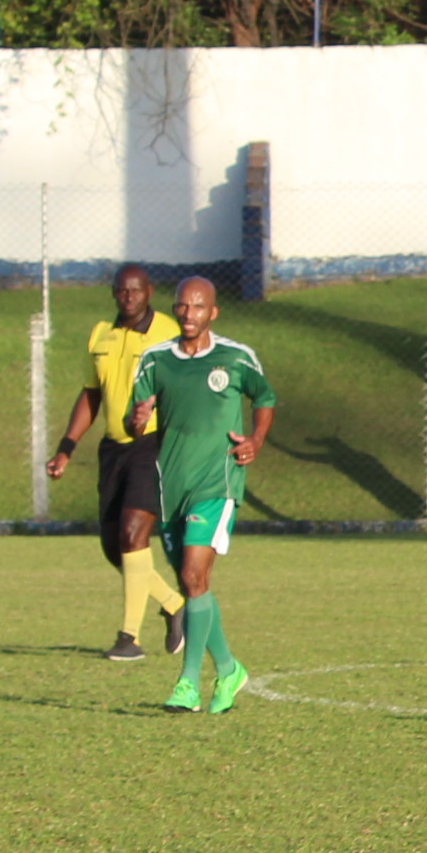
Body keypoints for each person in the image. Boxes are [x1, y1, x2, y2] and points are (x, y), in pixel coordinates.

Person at [125, 276, 275, 715]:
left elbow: (264, 397)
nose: (188, 314)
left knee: (193, 574)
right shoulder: (155, 360)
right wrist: (138, 418)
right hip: (172, 485)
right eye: (182, 306)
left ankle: (187, 683)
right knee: (194, 585)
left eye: (197, 306)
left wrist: (256, 440)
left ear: (213, 312)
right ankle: (229, 670)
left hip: (217, 482)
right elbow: (135, 420)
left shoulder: (235, 357)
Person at [46, 263, 185, 661]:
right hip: (113, 449)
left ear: (149, 291)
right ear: (113, 293)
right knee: (114, 547)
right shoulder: (100, 335)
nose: (128, 297)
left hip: (154, 445)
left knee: (133, 534)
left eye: (135, 290)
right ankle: (173, 604)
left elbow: (183, 388)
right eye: (121, 290)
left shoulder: (168, 335)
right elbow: (91, 394)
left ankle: (129, 638)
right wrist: (66, 447)